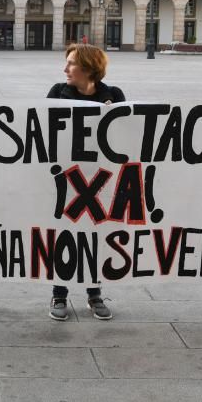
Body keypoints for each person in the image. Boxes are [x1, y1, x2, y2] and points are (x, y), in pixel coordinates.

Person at [46, 43, 124, 321]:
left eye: (71, 64)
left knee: (96, 235)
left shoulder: (113, 96)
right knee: (63, 235)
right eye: (66, 63)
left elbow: (127, 136)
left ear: (90, 69)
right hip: (66, 179)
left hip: (100, 180)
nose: (65, 69)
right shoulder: (57, 93)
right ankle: (59, 293)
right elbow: (44, 131)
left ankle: (94, 293)